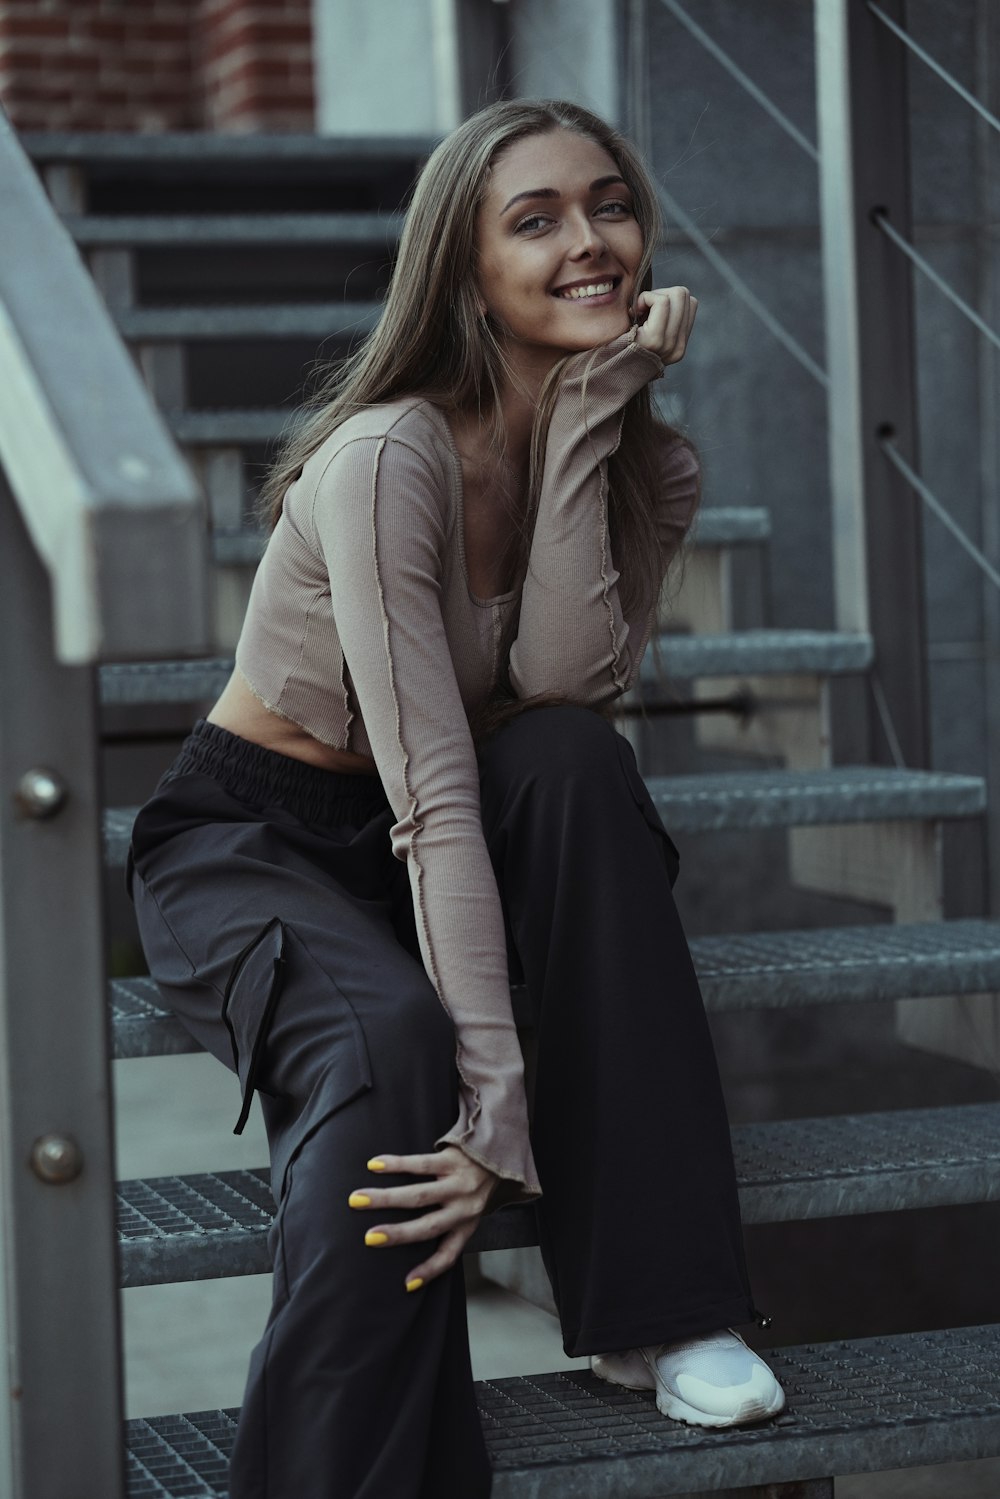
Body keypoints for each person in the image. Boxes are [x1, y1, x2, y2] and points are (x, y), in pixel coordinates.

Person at [126, 97, 785, 1499]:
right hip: (256, 840)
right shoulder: (387, 458)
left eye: (607, 204)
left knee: (578, 766)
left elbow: (555, 689)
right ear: (462, 267)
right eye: (533, 221)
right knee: (397, 1050)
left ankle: (662, 1311)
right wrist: (497, 1091)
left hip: (430, 829)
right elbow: (428, 777)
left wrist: (592, 420)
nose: (588, 241)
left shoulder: (646, 465)